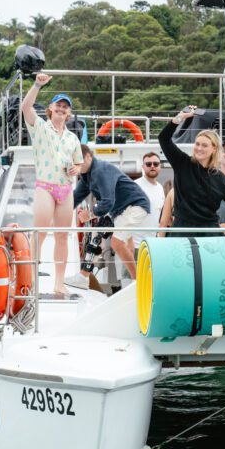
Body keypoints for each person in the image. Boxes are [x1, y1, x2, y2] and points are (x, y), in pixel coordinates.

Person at [21, 73, 83, 294]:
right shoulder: (39, 126)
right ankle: (30, 280)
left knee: (62, 237)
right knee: (40, 233)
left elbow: (80, 164)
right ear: (50, 108)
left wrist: (77, 168)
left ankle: (59, 283)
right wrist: (37, 85)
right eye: (58, 104)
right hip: (45, 186)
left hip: (66, 189)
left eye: (65, 107)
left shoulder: (73, 138)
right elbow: (25, 107)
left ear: (69, 113)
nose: (62, 108)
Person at [158, 106, 225, 237]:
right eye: (197, 144)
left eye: (204, 145)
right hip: (183, 232)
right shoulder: (182, 163)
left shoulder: (219, 177)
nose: (199, 148)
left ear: (214, 149)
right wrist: (180, 117)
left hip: (210, 234)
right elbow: (163, 139)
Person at [70, 145, 150, 283]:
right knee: (123, 240)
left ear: (88, 156)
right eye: (74, 162)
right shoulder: (86, 176)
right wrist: (57, 214)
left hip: (135, 204)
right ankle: (85, 276)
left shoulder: (100, 170)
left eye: (78, 161)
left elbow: (107, 202)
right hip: (120, 210)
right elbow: (75, 198)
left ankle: (137, 281)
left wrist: (89, 215)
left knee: (116, 242)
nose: (76, 165)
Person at [133, 152, 166, 255]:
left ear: (160, 166)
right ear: (143, 167)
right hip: (134, 245)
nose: (152, 166)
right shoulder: (135, 186)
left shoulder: (160, 188)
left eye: (155, 164)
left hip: (152, 245)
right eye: (148, 164)